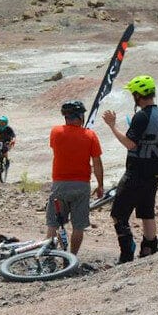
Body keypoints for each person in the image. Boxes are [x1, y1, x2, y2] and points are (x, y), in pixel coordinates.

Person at [102, 75, 158, 263]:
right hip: (154, 173)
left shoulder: (141, 116)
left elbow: (130, 144)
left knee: (118, 215)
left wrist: (112, 125)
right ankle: (149, 251)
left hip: (135, 173)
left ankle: (127, 253)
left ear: (138, 95)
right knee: (147, 213)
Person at [48, 101, 104, 255]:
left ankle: (50, 257)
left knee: (53, 223)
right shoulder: (90, 135)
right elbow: (97, 163)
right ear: (80, 116)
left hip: (60, 184)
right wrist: (100, 185)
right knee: (78, 226)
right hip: (81, 185)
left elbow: (56, 148)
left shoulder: (55, 132)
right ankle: (72, 258)